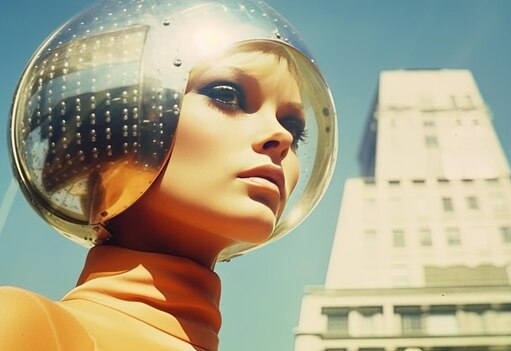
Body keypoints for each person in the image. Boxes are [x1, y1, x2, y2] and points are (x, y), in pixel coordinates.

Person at [0, 1, 337, 350]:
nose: (280, 136)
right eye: (227, 95)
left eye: (294, 128)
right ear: (120, 136)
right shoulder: (29, 328)